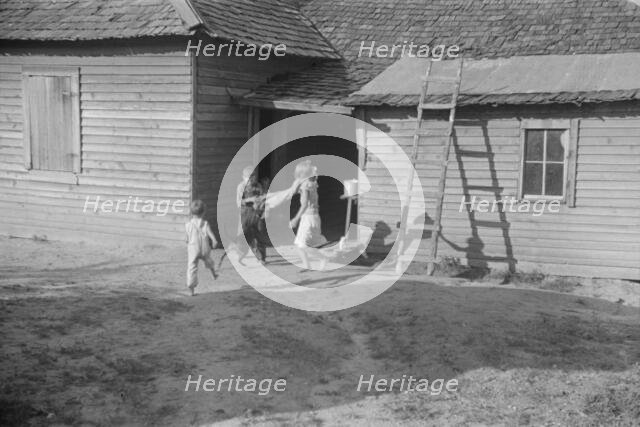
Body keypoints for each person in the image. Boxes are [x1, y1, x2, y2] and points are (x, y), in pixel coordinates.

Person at [290, 160, 328, 271]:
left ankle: (323, 258)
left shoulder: (306, 186)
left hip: (309, 218)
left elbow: (305, 204)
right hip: (312, 217)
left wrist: (295, 219)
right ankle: (307, 266)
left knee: (302, 245)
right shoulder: (313, 182)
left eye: (299, 174)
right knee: (298, 244)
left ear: (302, 175)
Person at [185, 199, 218, 296]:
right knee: (209, 260)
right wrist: (214, 240)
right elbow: (210, 233)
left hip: (193, 248)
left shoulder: (188, 225)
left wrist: (188, 241)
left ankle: (191, 290)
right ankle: (214, 273)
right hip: (204, 248)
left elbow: (186, 239)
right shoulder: (205, 223)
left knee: (192, 267)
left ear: (191, 212)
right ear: (203, 212)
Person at [236, 166, 268, 264]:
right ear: (243, 177)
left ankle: (261, 257)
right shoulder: (241, 187)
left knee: (260, 234)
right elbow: (238, 202)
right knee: (243, 234)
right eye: (248, 178)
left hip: (257, 213)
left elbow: (263, 197)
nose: (251, 180)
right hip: (245, 213)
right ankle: (241, 253)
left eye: (252, 177)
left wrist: (261, 201)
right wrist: (251, 200)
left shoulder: (258, 186)